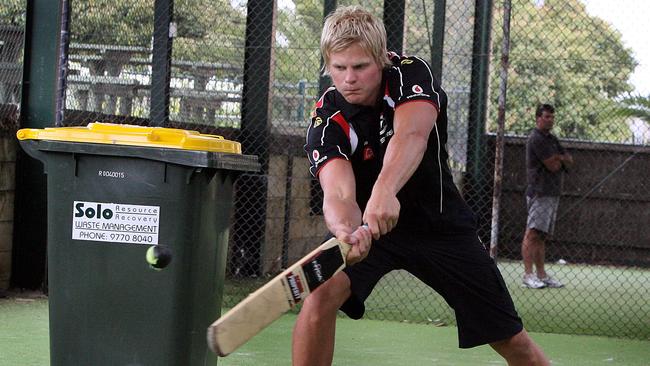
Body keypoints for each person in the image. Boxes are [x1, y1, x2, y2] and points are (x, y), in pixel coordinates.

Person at [298, 6, 549, 366]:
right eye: (339, 68)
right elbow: (337, 192)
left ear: (381, 59)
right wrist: (345, 231)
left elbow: (412, 134)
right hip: (374, 229)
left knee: (509, 337)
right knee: (320, 295)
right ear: (328, 66)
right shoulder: (327, 119)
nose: (349, 78)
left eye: (360, 67)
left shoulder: (409, 73)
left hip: (440, 227)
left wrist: (384, 191)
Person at [521, 104, 573, 289]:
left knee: (542, 235)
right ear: (538, 118)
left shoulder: (551, 138)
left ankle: (541, 275)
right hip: (539, 192)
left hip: (552, 192)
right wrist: (559, 158)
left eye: (552, 117)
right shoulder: (536, 139)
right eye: (546, 117)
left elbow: (569, 161)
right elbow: (553, 165)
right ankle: (528, 275)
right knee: (532, 232)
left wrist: (559, 158)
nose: (550, 120)